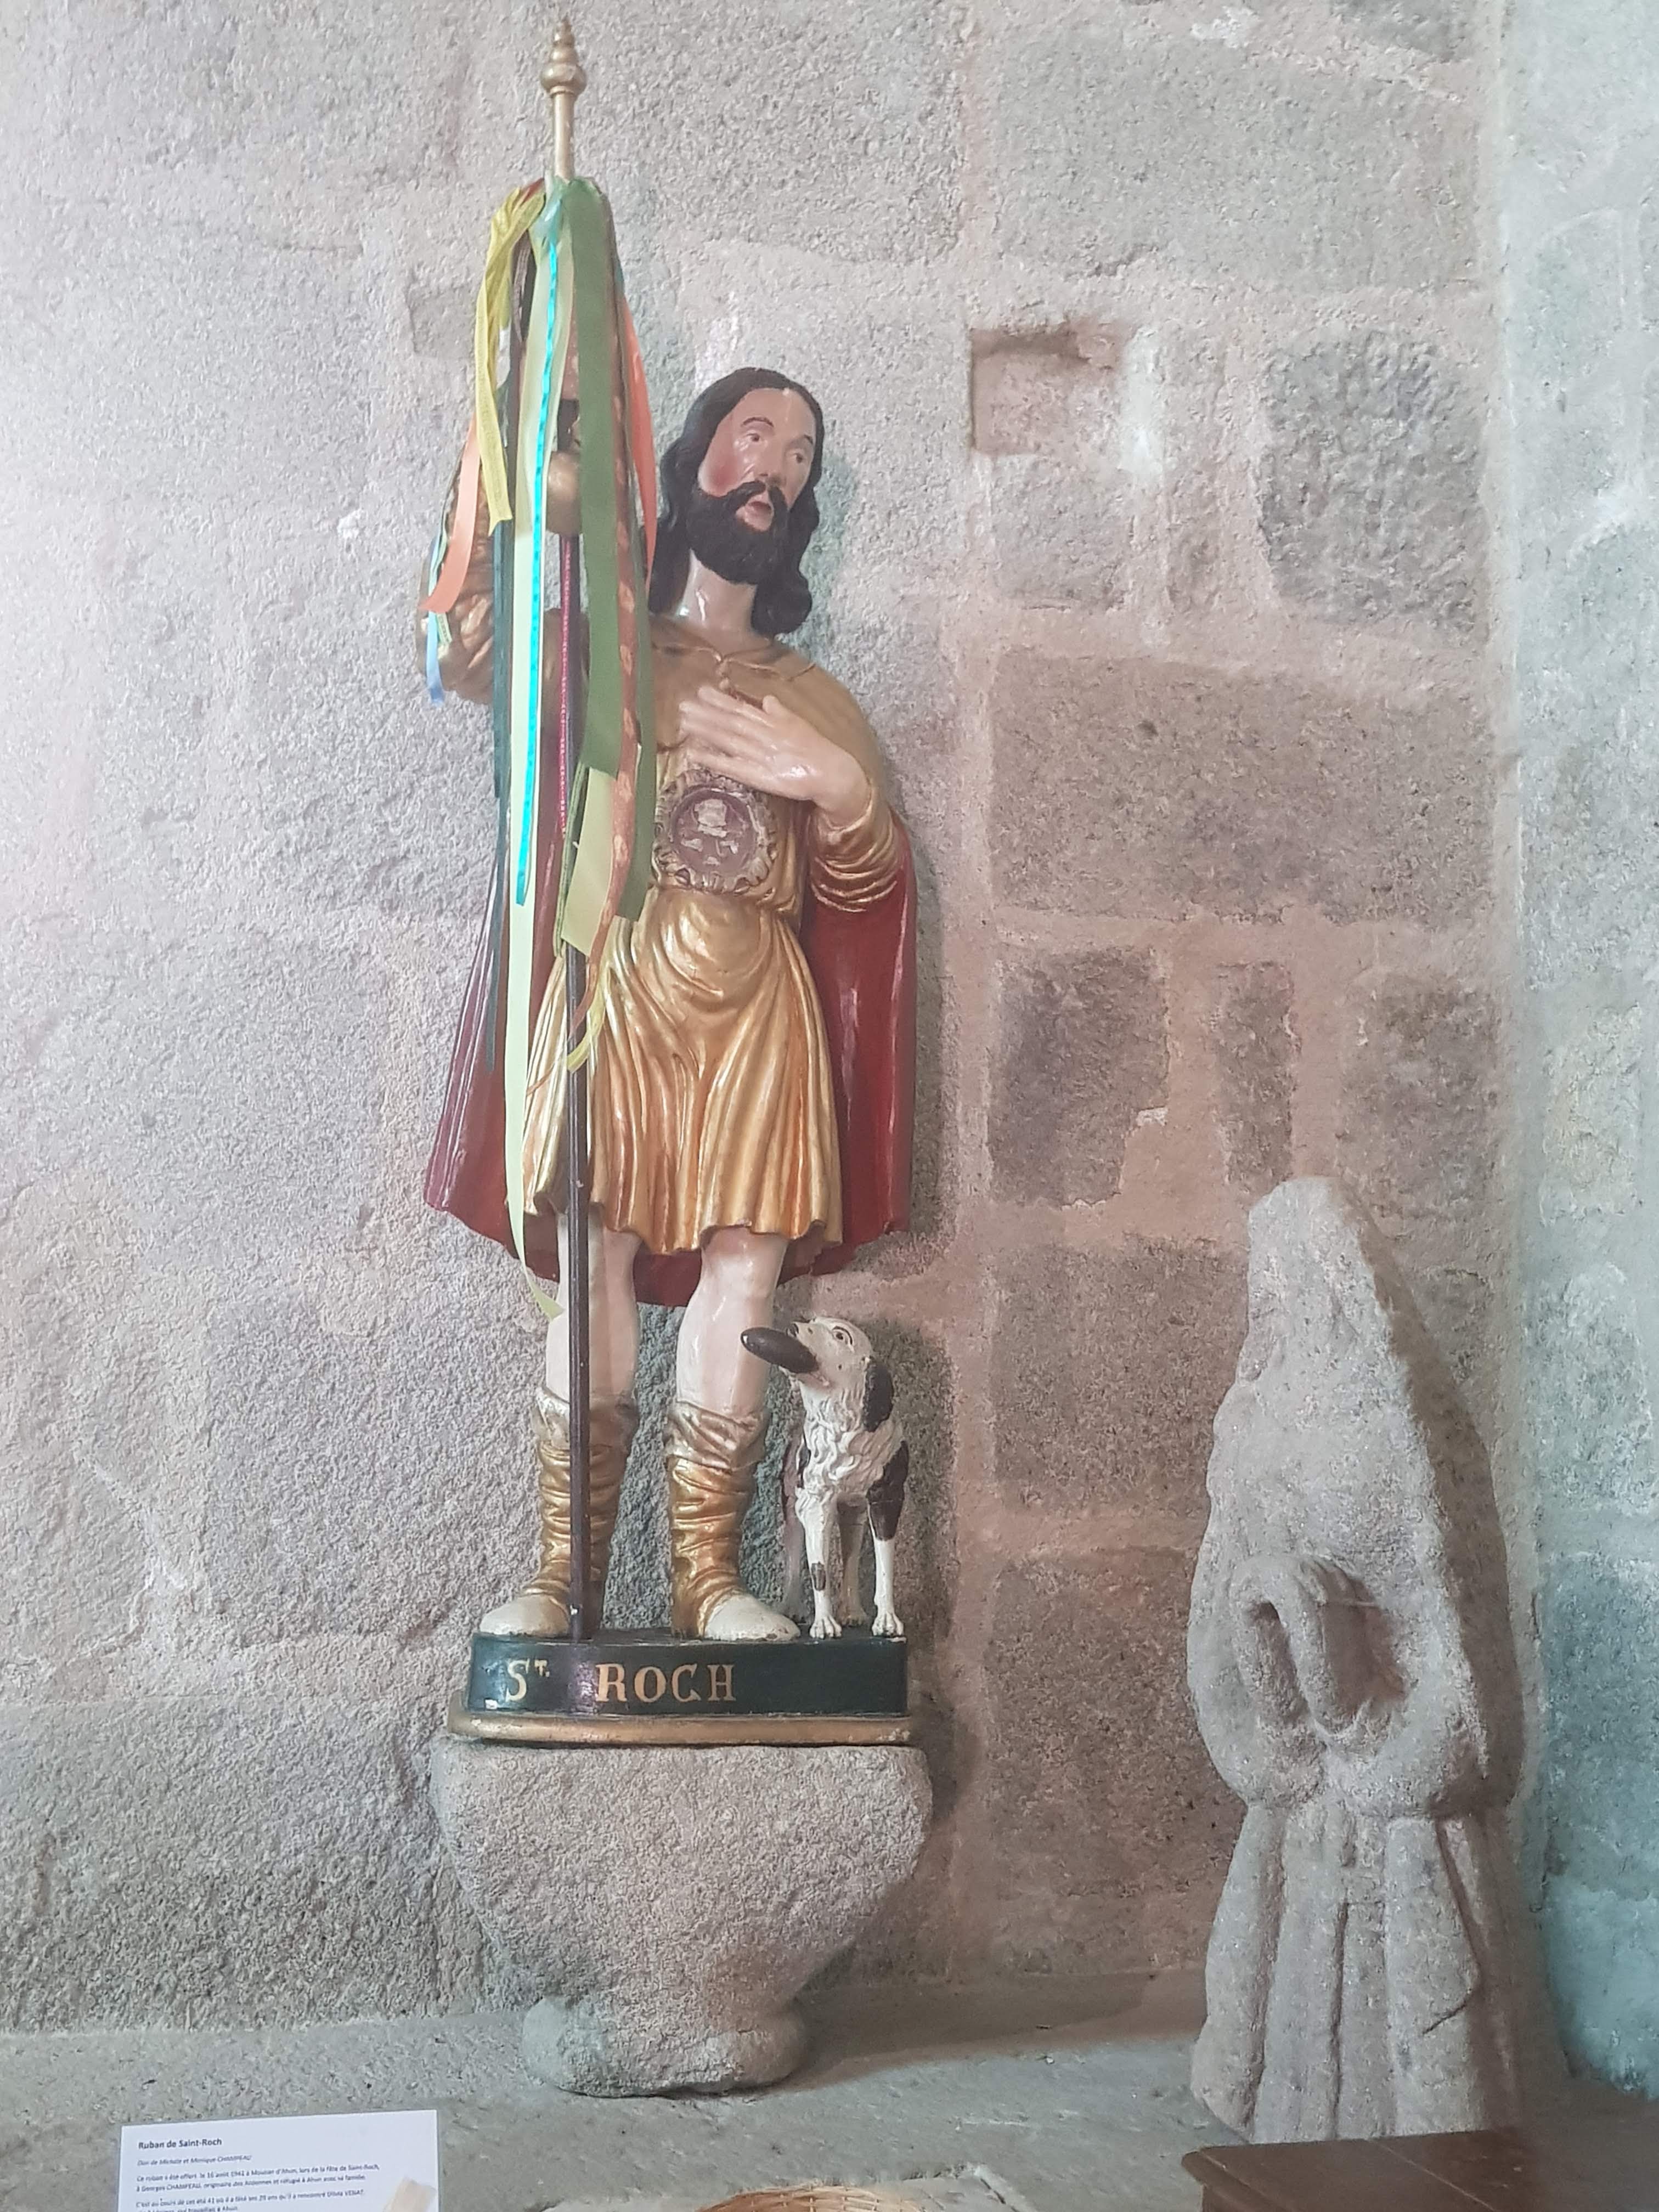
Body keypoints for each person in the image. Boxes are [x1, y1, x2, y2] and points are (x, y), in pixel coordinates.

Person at [424, 367, 916, 1644]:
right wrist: (508, 468)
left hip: (760, 1002)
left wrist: (841, 789)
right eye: (755, 438)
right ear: (691, 459)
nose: (776, 472)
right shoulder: (601, 656)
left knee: (745, 1277)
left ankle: (708, 1580)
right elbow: (463, 651)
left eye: (800, 458)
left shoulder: (815, 700)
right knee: (593, 1247)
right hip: (621, 978)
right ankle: (567, 1577)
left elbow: (861, 885)